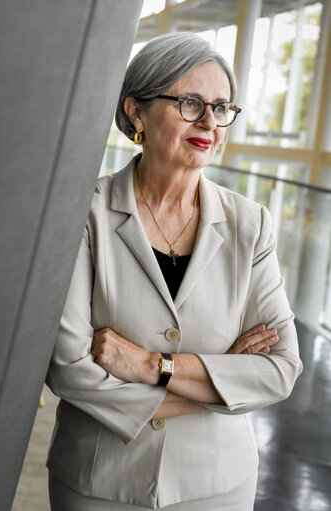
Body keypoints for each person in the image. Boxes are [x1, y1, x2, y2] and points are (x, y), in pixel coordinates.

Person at [46, 32, 303, 511]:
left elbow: (279, 370)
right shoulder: (84, 213)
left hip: (218, 486)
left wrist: (150, 366)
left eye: (222, 107)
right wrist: (221, 377)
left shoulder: (252, 225)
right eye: (190, 102)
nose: (210, 121)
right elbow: (69, 369)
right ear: (136, 111)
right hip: (100, 484)